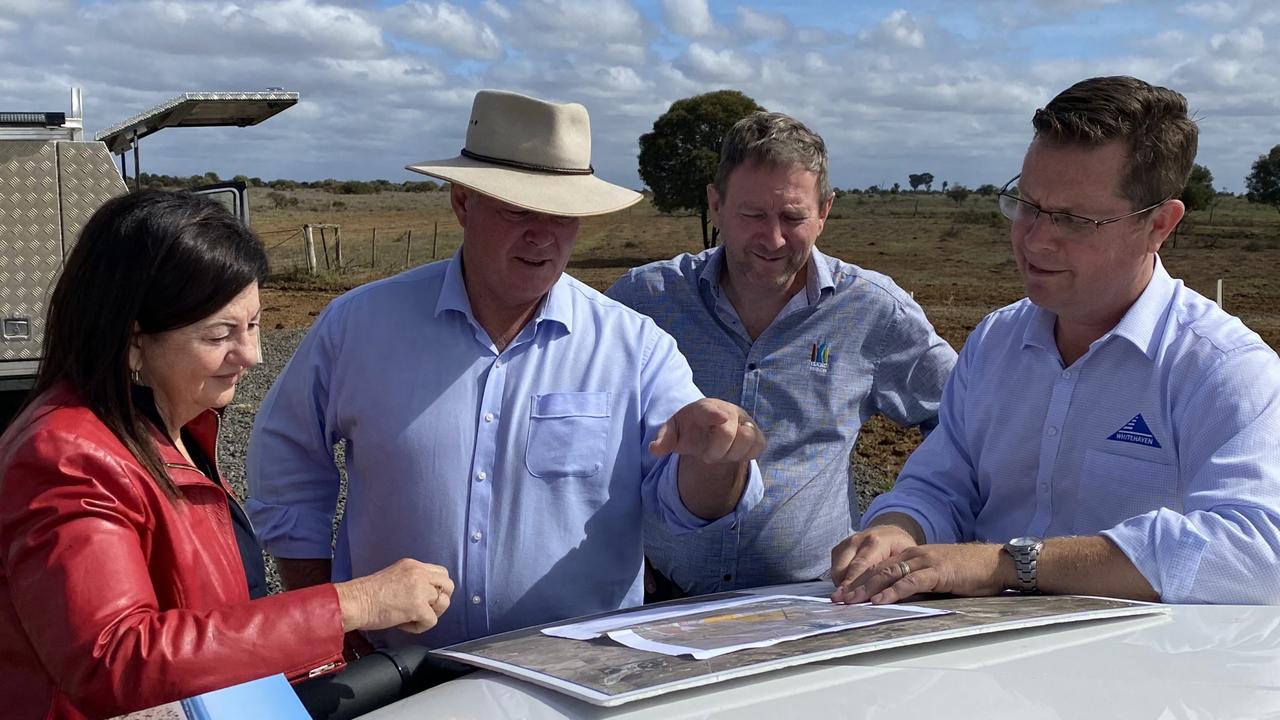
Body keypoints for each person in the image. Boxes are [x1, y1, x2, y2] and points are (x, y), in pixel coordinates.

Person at [246, 90, 765, 650]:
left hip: (573, 679)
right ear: (463, 203)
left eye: (563, 214)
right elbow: (288, 467)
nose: (542, 234)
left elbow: (685, 505)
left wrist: (719, 458)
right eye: (518, 209)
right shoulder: (358, 326)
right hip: (393, 677)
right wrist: (328, 621)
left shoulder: (634, 347)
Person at [0, 191, 455, 719]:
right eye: (220, 335)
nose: (252, 356)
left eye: (255, 325)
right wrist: (353, 604)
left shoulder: (173, 425)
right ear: (133, 341)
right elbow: (116, 657)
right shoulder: (67, 455)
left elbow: (211, 621)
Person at [831, 75, 1280, 606]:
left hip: (1140, 673)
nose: (1035, 238)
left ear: (1159, 224)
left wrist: (1010, 564)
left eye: (1072, 219)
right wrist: (899, 528)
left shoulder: (1223, 369)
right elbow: (942, 485)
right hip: (978, 663)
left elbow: (1259, 553)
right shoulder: (995, 342)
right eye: (1027, 204)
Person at [607, 111, 955, 596]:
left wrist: (906, 517)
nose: (772, 239)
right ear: (716, 204)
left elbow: (963, 422)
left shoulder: (874, 312)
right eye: (753, 215)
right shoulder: (645, 300)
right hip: (659, 599)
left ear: (824, 212)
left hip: (813, 599)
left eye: (793, 218)